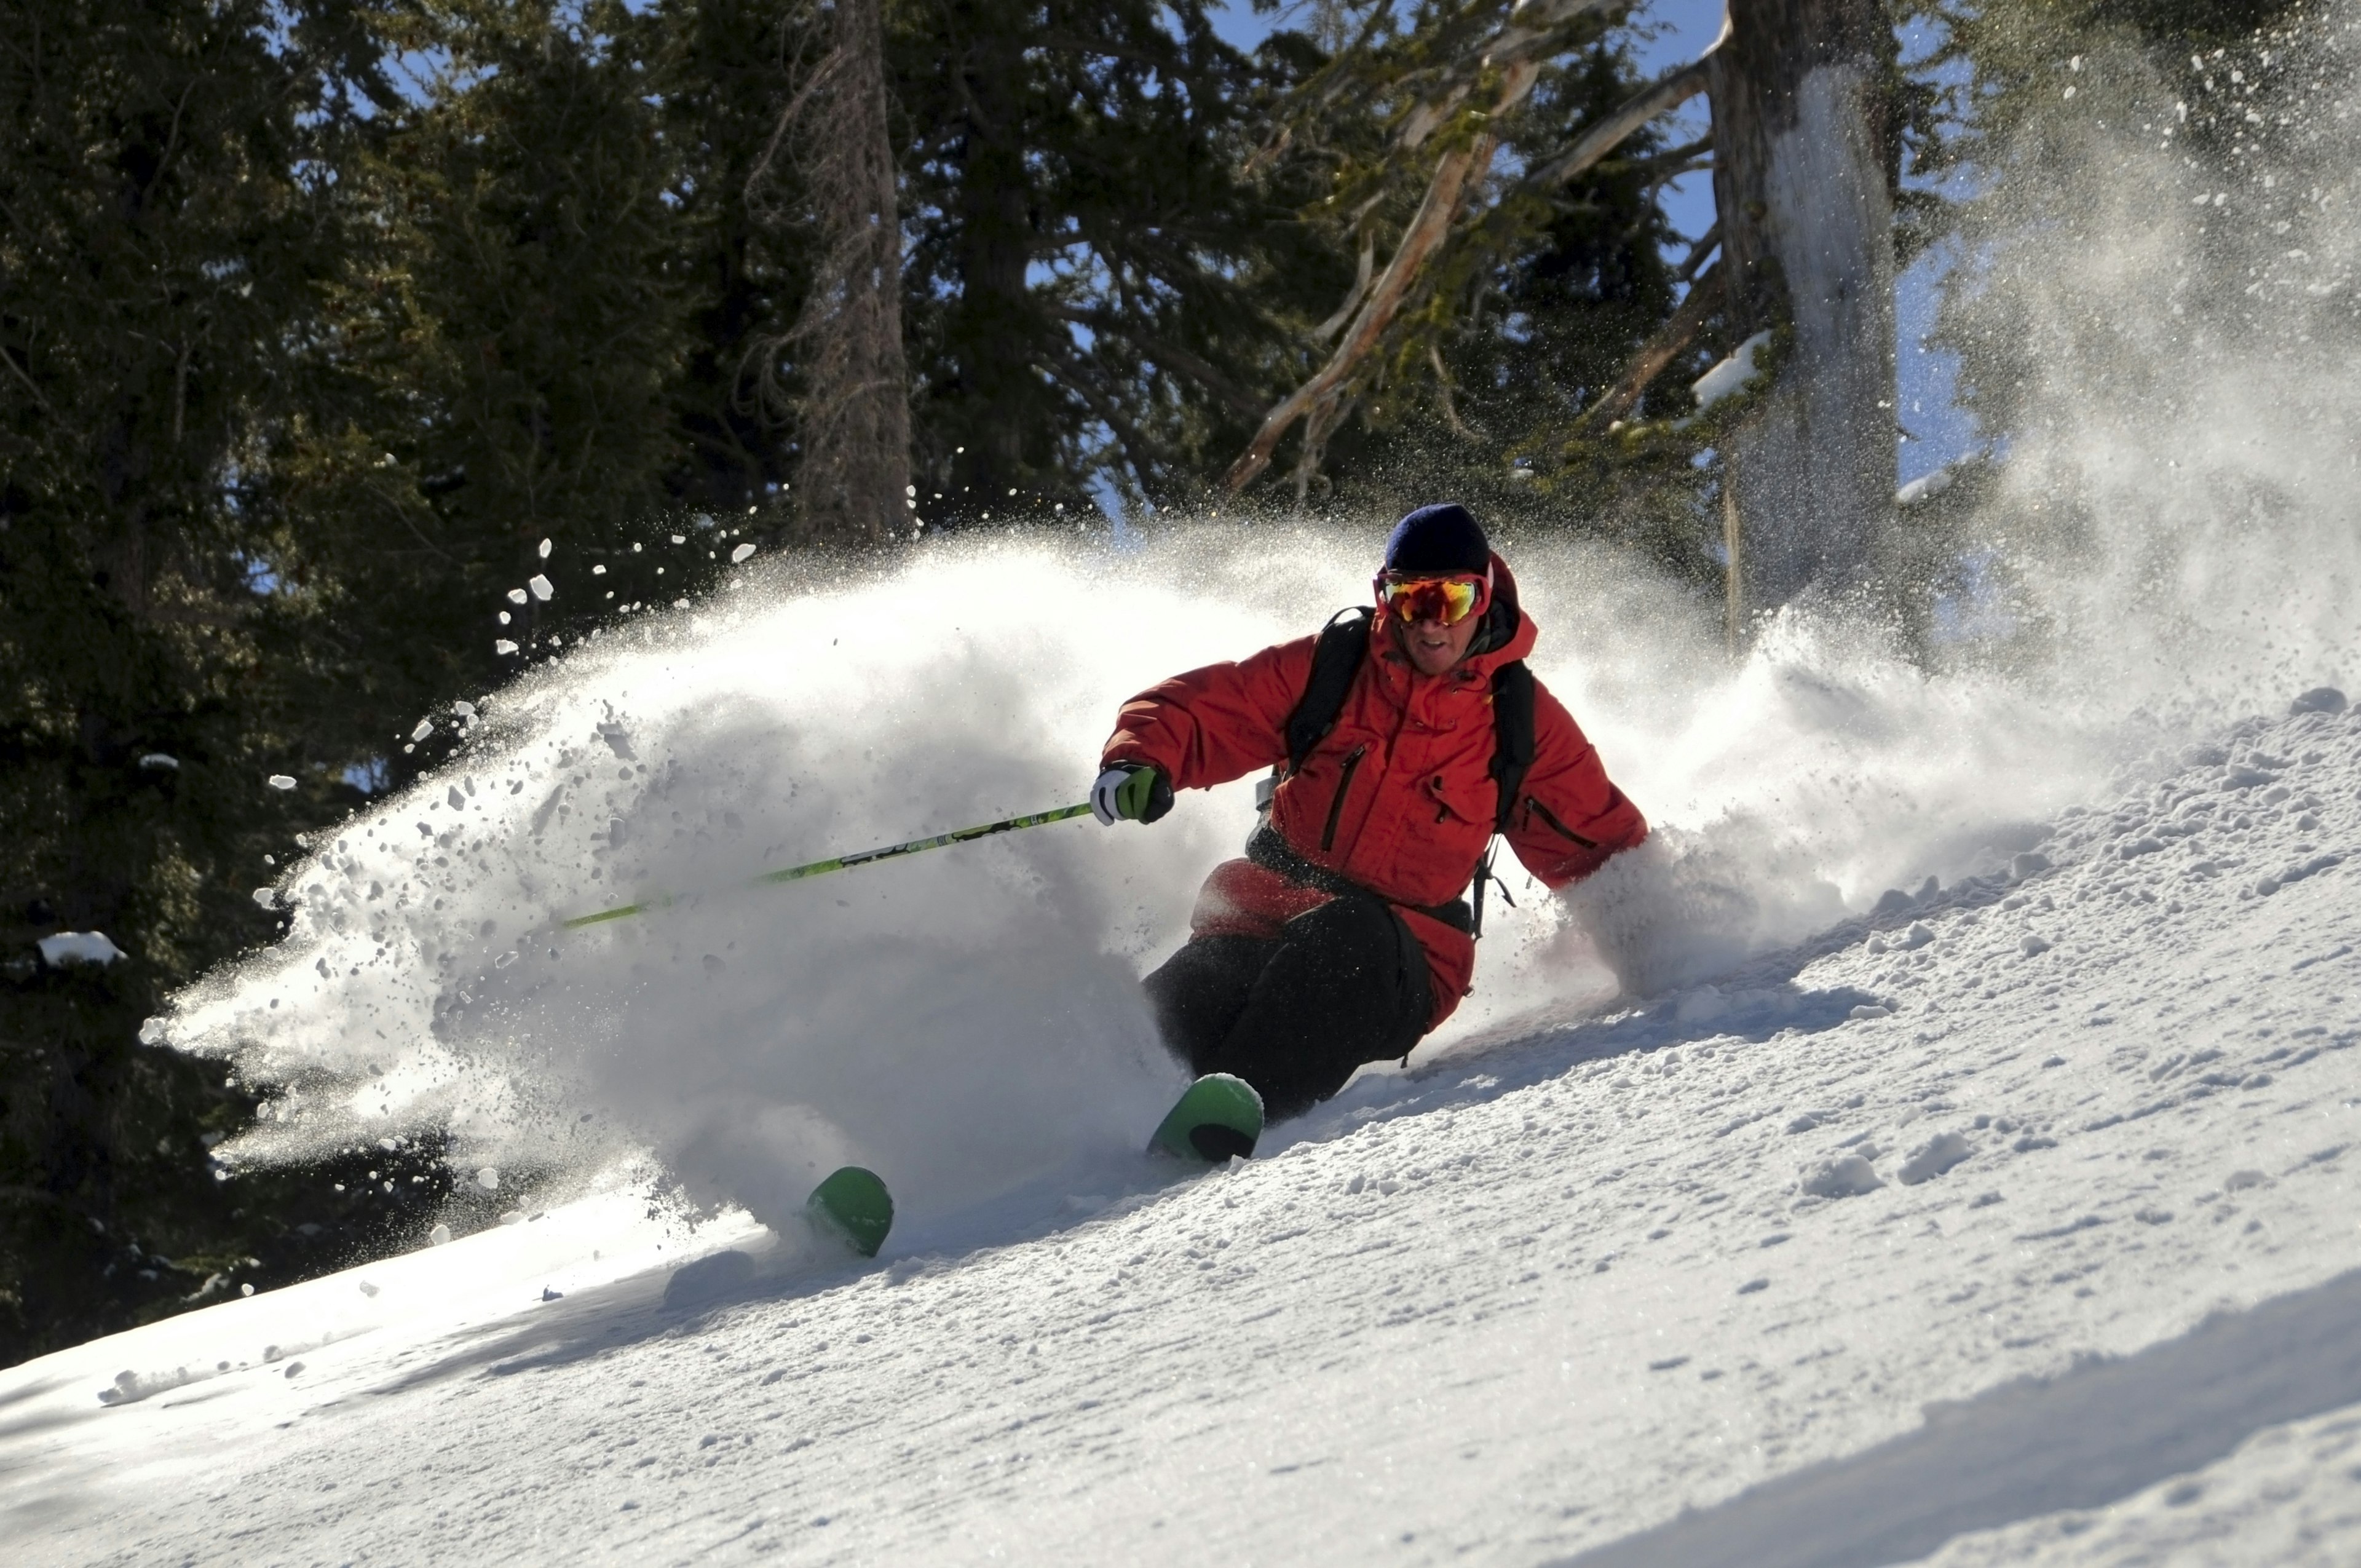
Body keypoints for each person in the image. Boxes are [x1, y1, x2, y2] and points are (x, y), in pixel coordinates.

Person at [1091, 503, 1648, 1122]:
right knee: (1163, 1019)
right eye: (1414, 601)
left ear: (1484, 597)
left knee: (1347, 935)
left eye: (1454, 601)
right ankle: (1068, 1134)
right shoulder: (1334, 668)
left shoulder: (1517, 718)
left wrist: (1667, 943)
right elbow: (1206, 708)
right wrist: (1140, 760)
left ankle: (1234, 1114)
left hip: (1402, 958)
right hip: (1264, 919)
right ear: (1385, 598)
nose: (1433, 625)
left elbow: (1599, 842)